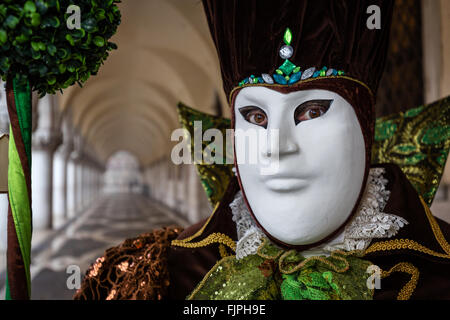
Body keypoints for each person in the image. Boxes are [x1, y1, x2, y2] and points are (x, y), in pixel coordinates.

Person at [74, 0, 450, 300]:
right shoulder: (158, 277)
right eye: (254, 116)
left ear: (365, 129)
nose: (277, 147)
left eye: (312, 111)